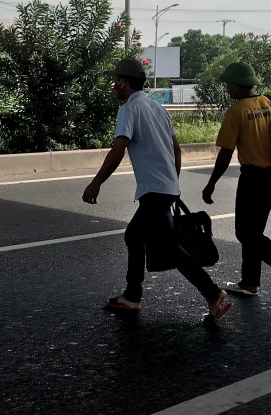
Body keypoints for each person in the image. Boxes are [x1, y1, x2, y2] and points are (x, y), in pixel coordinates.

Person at [83, 58, 232, 323]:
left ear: (125, 83)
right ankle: (133, 295)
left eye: (117, 81)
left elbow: (119, 148)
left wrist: (96, 182)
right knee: (134, 236)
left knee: (170, 248)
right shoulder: (157, 107)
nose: (114, 86)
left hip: (154, 191)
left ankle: (212, 293)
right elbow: (176, 148)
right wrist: (172, 182)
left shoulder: (130, 109)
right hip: (165, 188)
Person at [202, 62, 271, 300]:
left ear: (239, 86)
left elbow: (226, 152)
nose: (227, 88)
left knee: (245, 233)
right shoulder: (269, 103)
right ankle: (250, 283)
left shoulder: (236, 111)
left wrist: (211, 184)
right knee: (253, 232)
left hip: (253, 177)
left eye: (229, 84)